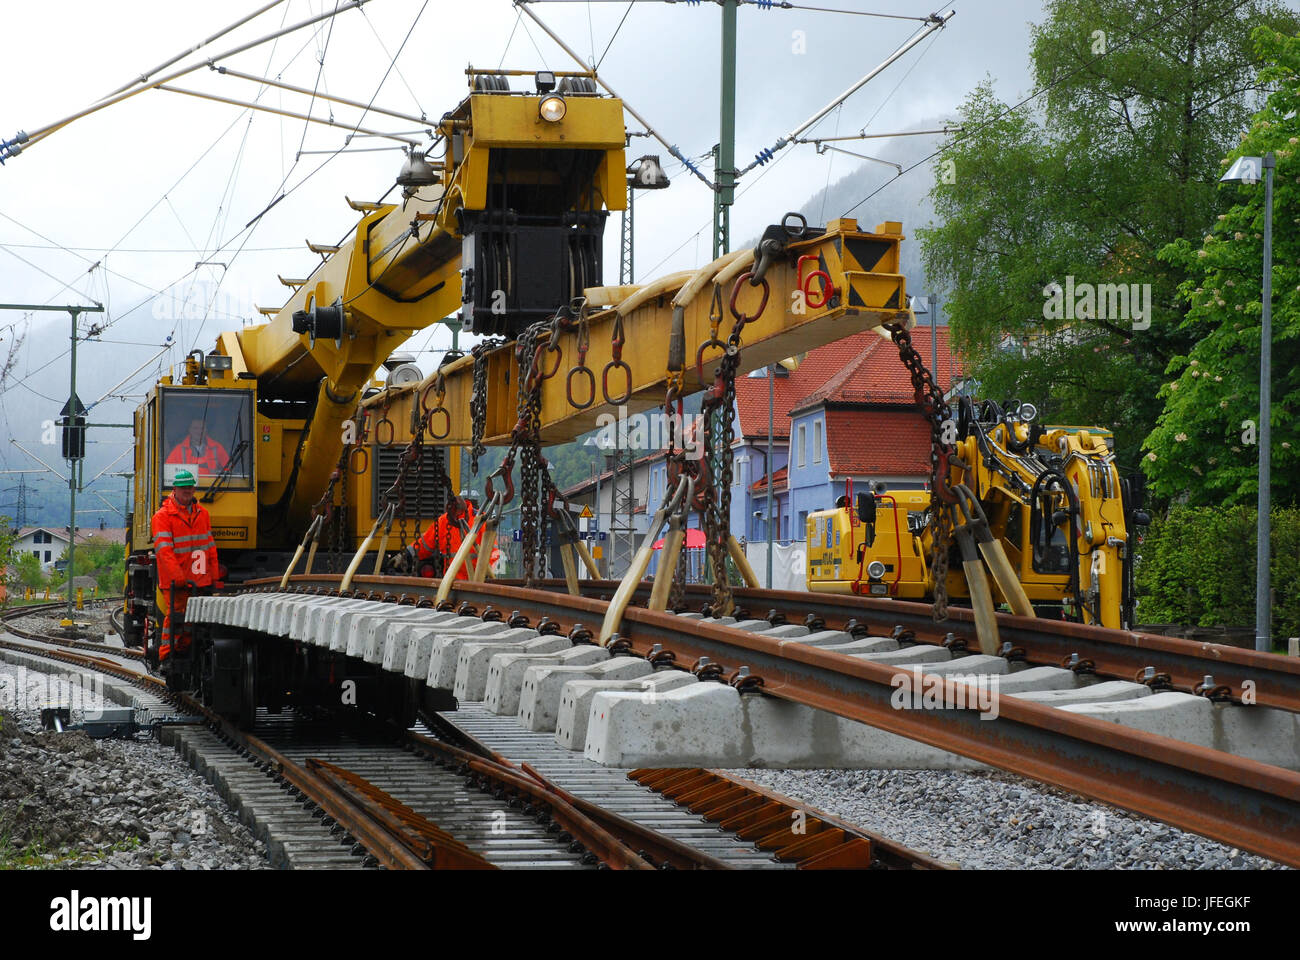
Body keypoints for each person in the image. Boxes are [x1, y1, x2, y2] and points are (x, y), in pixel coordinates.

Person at [151, 469, 218, 664]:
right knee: (176, 618)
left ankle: (183, 653)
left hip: (199, 579)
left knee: (192, 621)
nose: (187, 491)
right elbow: (165, 552)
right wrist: (177, 577)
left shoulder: (202, 514)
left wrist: (213, 576)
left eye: (190, 487)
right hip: (177, 583)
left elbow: (209, 547)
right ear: (175, 489)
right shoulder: (162, 517)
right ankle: (166, 655)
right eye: (183, 488)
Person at [398, 490, 499, 580]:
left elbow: (493, 552)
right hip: (452, 582)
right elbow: (425, 544)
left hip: (475, 581)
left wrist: (485, 573)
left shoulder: (480, 522)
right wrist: (404, 555)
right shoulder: (443, 521)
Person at [166, 416, 230, 476]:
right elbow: (168, 473)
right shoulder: (178, 450)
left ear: (206, 430)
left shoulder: (217, 448)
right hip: (187, 487)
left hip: (213, 486)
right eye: (195, 428)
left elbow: (228, 470)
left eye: (202, 428)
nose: (199, 431)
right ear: (189, 430)